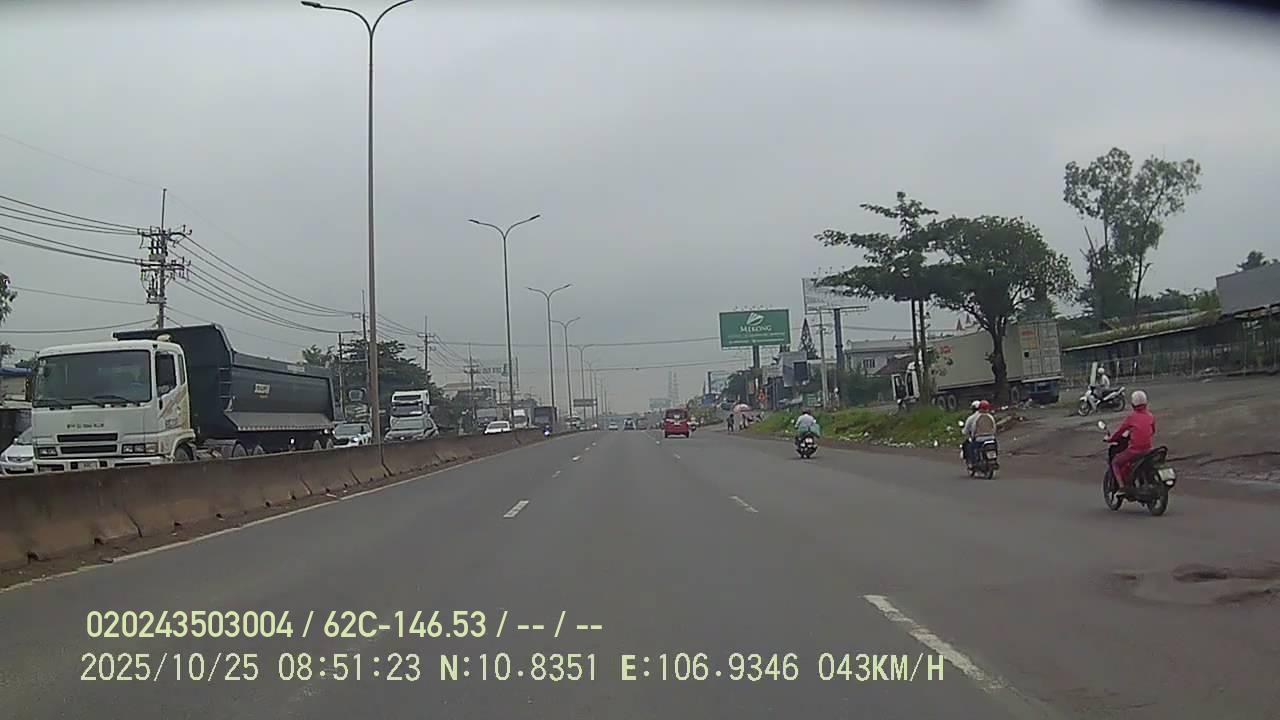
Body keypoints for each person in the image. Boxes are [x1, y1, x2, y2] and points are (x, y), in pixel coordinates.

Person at [1107, 390, 1155, 490]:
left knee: (1115, 462)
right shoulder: (1150, 416)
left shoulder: (1131, 417)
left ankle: (1122, 487)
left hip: (1135, 451)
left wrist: (1110, 439)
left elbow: (1119, 431)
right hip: (1149, 450)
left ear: (1133, 404)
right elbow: (1152, 431)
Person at [962, 400, 997, 466]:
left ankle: (974, 463)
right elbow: (994, 428)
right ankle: (994, 459)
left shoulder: (976, 418)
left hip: (979, 439)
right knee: (995, 446)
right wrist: (992, 435)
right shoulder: (990, 417)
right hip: (991, 438)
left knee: (972, 448)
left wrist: (973, 436)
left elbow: (974, 428)